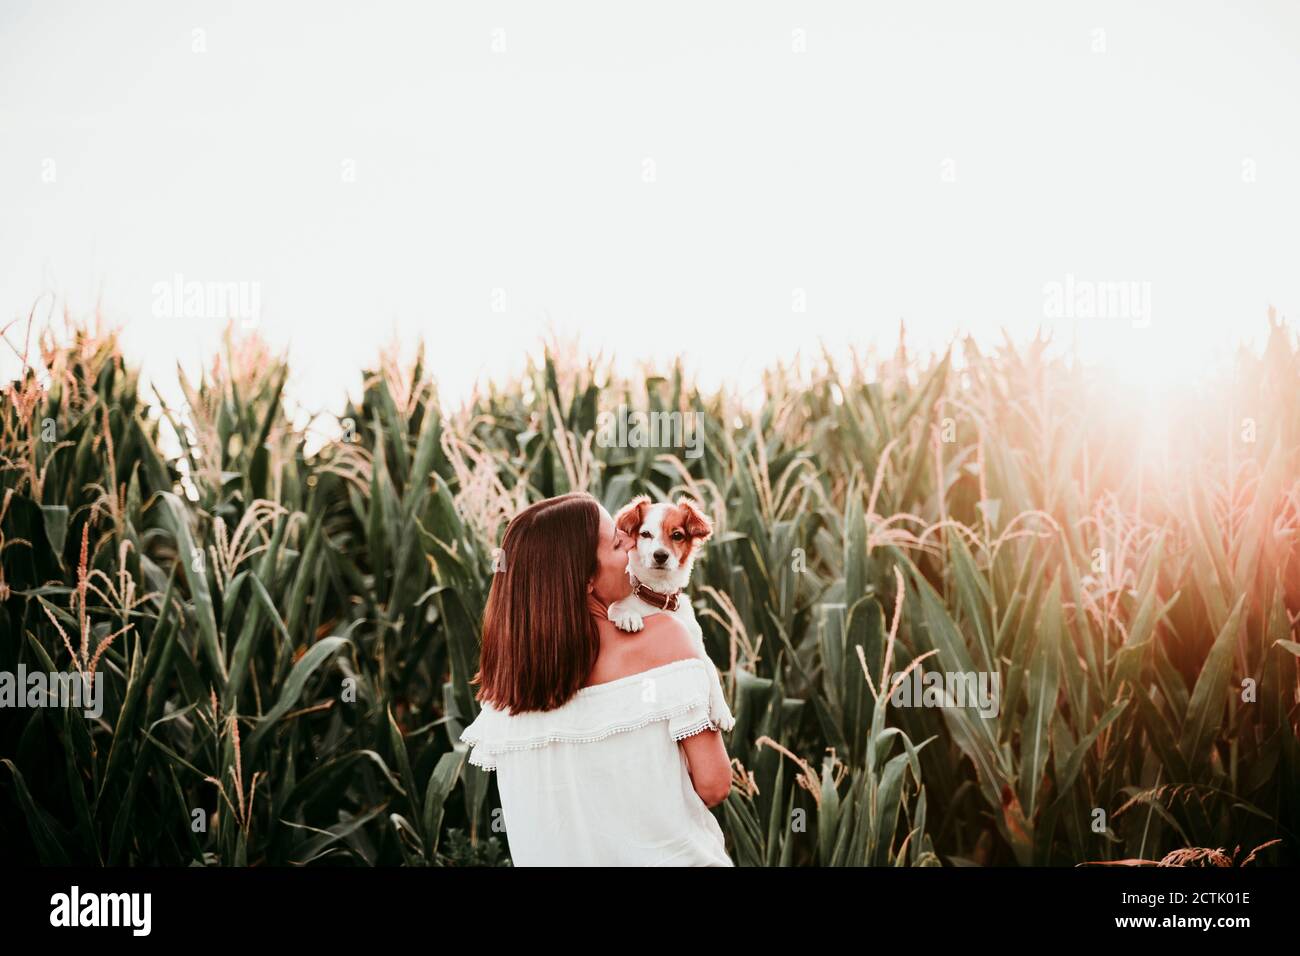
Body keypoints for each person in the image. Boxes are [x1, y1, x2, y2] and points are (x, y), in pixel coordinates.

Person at [460, 491, 734, 866]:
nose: (630, 541)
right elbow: (715, 784)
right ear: (587, 579)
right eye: (615, 540)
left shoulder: (504, 692)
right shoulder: (666, 637)